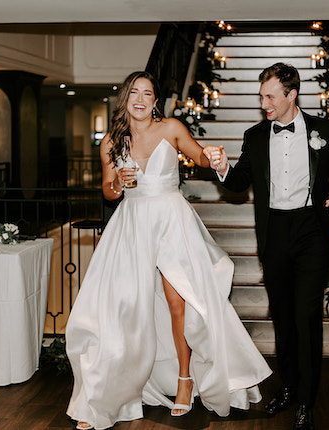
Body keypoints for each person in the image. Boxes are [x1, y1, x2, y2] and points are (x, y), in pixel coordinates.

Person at [65, 71, 272, 430]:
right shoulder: (111, 143)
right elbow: (108, 192)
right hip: (132, 226)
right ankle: (109, 393)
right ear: (125, 100)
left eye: (148, 93)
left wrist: (213, 156)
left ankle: (184, 380)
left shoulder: (171, 128)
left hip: (172, 223)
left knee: (179, 304)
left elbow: (202, 159)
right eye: (134, 93)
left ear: (155, 101)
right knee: (124, 307)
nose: (141, 99)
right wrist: (118, 181)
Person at [203, 62, 329, 430]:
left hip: (311, 231)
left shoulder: (326, 131)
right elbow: (239, 182)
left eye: (270, 96)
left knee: (306, 317)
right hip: (273, 233)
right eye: (261, 97)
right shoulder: (255, 136)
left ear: (292, 95)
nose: (264, 104)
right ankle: (289, 385)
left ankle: (307, 399)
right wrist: (223, 167)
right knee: (284, 317)